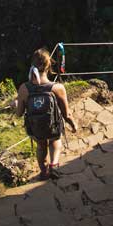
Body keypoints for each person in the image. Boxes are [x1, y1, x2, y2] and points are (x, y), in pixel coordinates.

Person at [15, 48, 77, 179]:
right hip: (53, 126)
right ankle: (53, 165)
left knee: (41, 145)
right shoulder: (57, 88)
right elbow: (67, 114)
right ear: (49, 65)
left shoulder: (24, 88)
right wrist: (73, 125)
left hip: (35, 128)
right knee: (55, 139)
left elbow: (19, 114)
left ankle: (43, 171)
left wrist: (14, 106)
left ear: (32, 65)